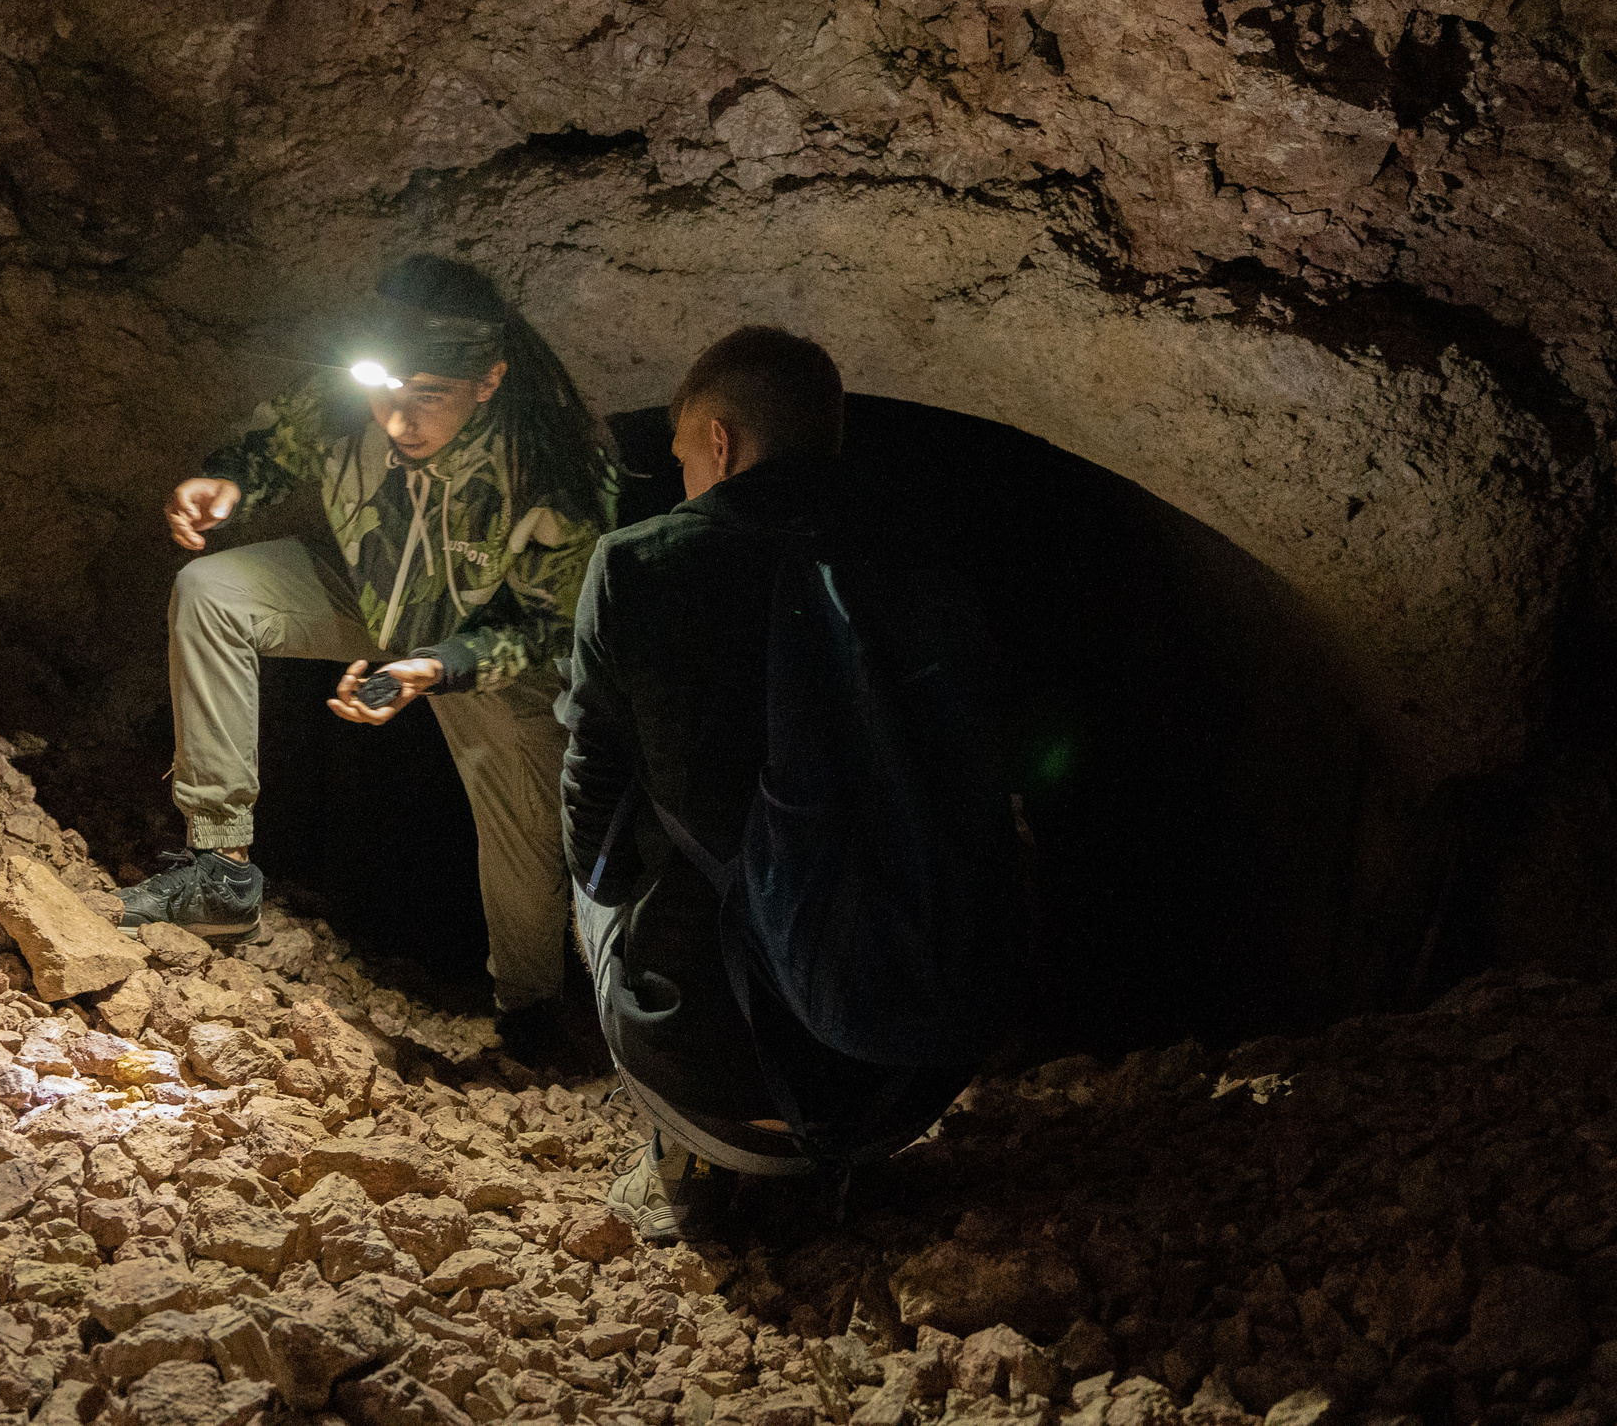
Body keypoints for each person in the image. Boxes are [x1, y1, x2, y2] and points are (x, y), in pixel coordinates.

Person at [122, 255, 616, 1062]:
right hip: (374, 594)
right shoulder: (358, 397)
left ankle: (529, 1011)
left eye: (429, 398)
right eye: (389, 391)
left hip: (483, 648)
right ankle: (218, 871)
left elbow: (552, 627)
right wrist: (225, 483)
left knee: (526, 828)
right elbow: (275, 443)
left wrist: (432, 668)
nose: (400, 418)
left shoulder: (552, 466)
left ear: (486, 381)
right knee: (212, 590)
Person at [557, 327, 991, 1242]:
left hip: (712, 1086)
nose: (682, 481)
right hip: (912, 1078)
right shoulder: (931, 559)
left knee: (592, 864)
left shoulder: (633, 566)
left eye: (682, 459)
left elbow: (591, 825)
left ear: (720, 440)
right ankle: (851, 1142)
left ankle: (680, 1158)